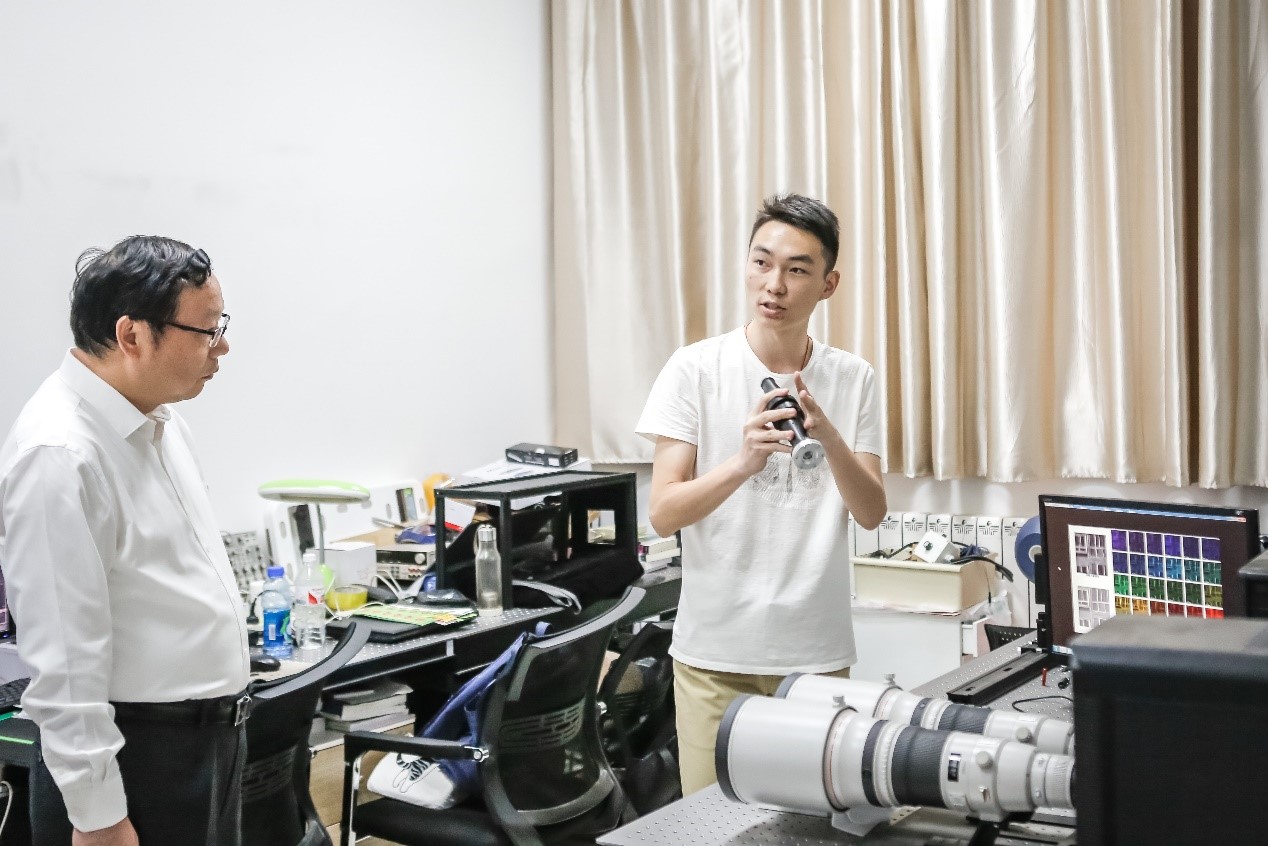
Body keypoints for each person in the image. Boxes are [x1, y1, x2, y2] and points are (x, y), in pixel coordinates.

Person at [0, 237, 250, 846]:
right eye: (207, 331)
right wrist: (98, 814)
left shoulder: (161, 421)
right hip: (136, 759)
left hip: (207, 745)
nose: (221, 347)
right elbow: (63, 660)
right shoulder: (60, 454)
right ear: (132, 334)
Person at [636, 193, 886, 794]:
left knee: (809, 823)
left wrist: (829, 437)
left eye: (797, 269)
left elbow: (872, 512)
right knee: (711, 824)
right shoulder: (694, 369)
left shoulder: (853, 377)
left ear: (828, 285)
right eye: (761, 263)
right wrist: (743, 463)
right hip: (714, 655)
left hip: (815, 655)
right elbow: (663, 514)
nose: (774, 285)